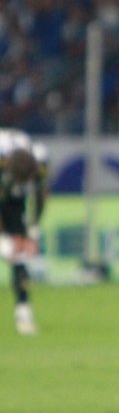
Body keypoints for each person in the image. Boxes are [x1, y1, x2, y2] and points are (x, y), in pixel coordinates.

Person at [0, 129, 47, 336]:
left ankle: (23, 312)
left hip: (11, 200)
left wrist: (32, 230)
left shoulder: (39, 162)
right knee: (9, 247)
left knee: (19, 255)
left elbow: (40, 195)